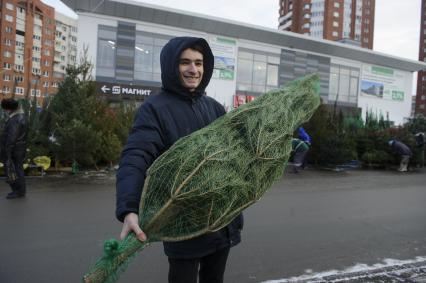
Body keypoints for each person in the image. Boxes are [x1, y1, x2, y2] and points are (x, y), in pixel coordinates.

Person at [116, 37, 243, 283]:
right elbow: (136, 156)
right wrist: (128, 208)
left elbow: (233, 154)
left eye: (199, 63)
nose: (193, 70)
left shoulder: (215, 108)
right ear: (171, 66)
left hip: (221, 221)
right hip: (184, 224)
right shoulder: (154, 109)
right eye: (185, 62)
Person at [0, 98, 28, 199]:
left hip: (14, 149)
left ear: (9, 109)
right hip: (19, 148)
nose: (5, 111)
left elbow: (12, 137)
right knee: (18, 169)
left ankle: (18, 191)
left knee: (15, 170)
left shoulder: (16, 119)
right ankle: (20, 191)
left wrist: (7, 152)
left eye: (5, 109)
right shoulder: (21, 116)